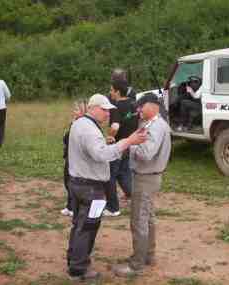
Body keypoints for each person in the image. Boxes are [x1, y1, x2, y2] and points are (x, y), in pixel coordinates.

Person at [66, 94, 146, 281]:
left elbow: (92, 150)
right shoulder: (89, 130)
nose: (108, 114)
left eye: (109, 110)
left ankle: (74, 260)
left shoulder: (80, 124)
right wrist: (127, 142)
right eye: (105, 110)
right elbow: (101, 155)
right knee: (88, 227)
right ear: (93, 108)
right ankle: (79, 269)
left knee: (79, 225)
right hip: (90, 188)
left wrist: (106, 143)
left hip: (79, 183)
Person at [112, 94, 172, 277]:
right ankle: (148, 255)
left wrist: (128, 144)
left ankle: (136, 265)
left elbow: (146, 153)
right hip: (150, 177)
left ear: (152, 105)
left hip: (145, 178)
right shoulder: (153, 124)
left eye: (141, 107)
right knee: (148, 218)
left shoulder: (155, 127)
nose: (138, 110)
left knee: (139, 220)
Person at [104, 80, 138, 217]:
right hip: (131, 143)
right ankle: (133, 196)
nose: (110, 92)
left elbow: (115, 127)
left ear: (117, 92)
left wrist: (109, 137)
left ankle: (113, 208)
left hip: (118, 146)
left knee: (110, 176)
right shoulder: (134, 104)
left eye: (111, 90)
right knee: (124, 172)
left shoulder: (115, 107)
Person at [60, 99, 88, 217]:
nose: (74, 111)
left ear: (83, 111)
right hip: (69, 156)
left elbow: (69, 138)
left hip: (75, 158)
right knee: (67, 181)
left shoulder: (82, 124)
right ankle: (69, 205)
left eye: (76, 109)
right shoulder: (75, 122)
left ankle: (74, 207)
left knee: (72, 182)